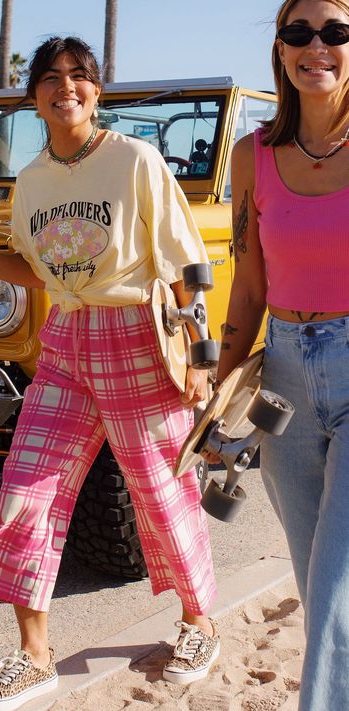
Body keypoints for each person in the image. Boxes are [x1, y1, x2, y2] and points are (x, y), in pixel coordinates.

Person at [0, 36, 220, 711]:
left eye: (80, 76)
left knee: (159, 488)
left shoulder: (135, 161)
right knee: (25, 488)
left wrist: (202, 361)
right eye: (52, 78)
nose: (68, 87)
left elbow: (186, 266)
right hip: (65, 338)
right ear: (35, 96)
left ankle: (199, 622)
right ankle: (34, 658)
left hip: (136, 338)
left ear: (96, 90)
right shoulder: (31, 180)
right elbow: (37, 269)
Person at [214, 1, 349, 709]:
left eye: (335, 32)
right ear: (280, 47)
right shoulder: (253, 155)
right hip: (286, 378)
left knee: (334, 595)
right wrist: (217, 397)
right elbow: (248, 286)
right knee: (319, 582)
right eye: (299, 32)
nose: (316, 46)